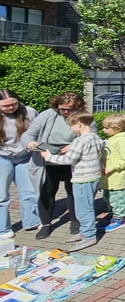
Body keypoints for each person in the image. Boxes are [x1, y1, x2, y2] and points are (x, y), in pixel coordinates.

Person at [23, 91, 94, 240]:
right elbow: (29, 134)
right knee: (47, 191)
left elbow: (91, 135)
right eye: (63, 109)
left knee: (73, 191)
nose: (66, 112)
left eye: (71, 110)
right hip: (48, 159)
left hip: (73, 160)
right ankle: (46, 224)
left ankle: (75, 221)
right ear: (57, 106)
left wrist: (75, 145)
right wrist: (29, 143)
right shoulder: (47, 115)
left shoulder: (84, 117)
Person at [40, 111, 105, 252]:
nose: (71, 129)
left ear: (79, 124)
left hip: (83, 179)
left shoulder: (80, 141)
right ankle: (84, 232)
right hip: (93, 177)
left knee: (83, 210)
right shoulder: (95, 137)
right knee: (86, 206)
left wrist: (48, 156)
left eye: (71, 126)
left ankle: (89, 236)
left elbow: (69, 160)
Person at [0, 90, 39, 239]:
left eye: (14, 104)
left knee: (29, 191)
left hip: (24, 156)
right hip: (3, 157)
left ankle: (32, 222)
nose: (11, 108)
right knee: (1, 195)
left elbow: (39, 131)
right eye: (6, 106)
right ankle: (3, 229)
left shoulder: (29, 111)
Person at [100, 113, 125, 232]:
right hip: (107, 177)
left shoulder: (121, 140)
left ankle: (120, 218)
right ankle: (112, 215)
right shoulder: (112, 139)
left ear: (117, 129)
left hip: (117, 176)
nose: (103, 130)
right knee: (107, 197)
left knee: (117, 198)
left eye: (106, 128)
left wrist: (111, 168)